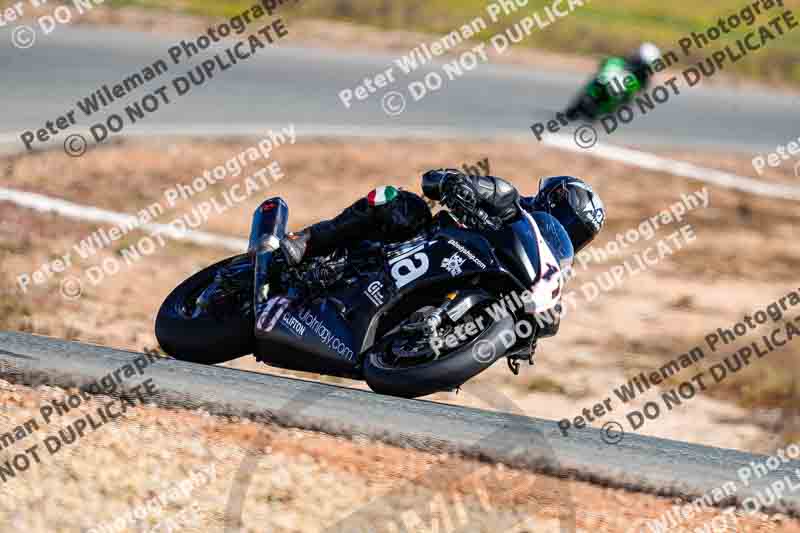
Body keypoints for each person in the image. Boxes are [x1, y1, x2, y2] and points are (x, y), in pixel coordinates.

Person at [279, 170, 605, 267]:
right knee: (402, 203)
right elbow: (435, 177)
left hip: (451, 280)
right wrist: (455, 184)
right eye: (569, 223)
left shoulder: (548, 272)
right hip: (421, 244)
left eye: (579, 234)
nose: (569, 235)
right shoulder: (506, 198)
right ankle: (309, 241)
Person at [569, 42, 662, 118]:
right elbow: (616, 60)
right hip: (615, 74)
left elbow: (643, 87)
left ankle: (607, 108)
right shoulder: (631, 57)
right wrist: (607, 62)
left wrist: (634, 90)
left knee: (627, 100)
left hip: (626, 84)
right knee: (598, 77)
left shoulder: (645, 74)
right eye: (638, 57)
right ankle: (585, 98)